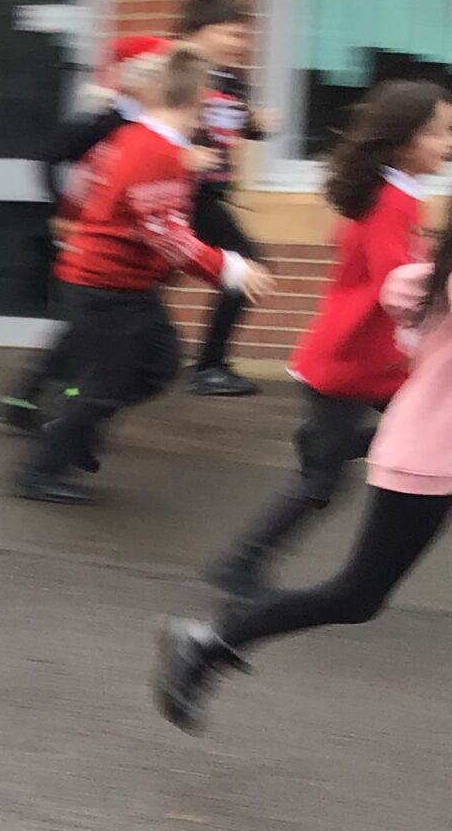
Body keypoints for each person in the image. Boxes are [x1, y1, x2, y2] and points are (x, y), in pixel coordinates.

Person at [156, 224, 452, 731]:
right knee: (355, 597)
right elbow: (401, 286)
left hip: (423, 443)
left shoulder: (430, 283)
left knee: (357, 596)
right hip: (425, 463)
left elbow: (400, 286)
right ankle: (209, 642)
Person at [203, 80, 451, 601]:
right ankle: (239, 566)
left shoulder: (395, 194)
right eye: (438, 132)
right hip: (351, 365)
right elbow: (398, 284)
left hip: (376, 362)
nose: (448, 143)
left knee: (428, 434)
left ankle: (330, 443)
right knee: (322, 484)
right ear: (402, 138)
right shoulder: (392, 201)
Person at [12, 47, 270, 504]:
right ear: (193, 101)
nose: (209, 117)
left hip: (126, 283)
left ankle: (72, 428)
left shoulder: (150, 142)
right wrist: (230, 267)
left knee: (160, 364)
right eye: (207, 105)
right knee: (108, 381)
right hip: (103, 286)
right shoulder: (154, 150)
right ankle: (41, 470)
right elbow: (165, 233)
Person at [0, 37, 171, 432]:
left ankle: (34, 402)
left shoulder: (151, 124)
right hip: (92, 241)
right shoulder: (105, 120)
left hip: (126, 244)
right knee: (93, 332)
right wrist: (58, 212)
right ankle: (63, 411)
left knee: (85, 331)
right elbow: (47, 155)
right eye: (157, 72)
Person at [174, 0, 270, 396]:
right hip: (177, 193)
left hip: (209, 194)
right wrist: (182, 154)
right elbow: (142, 126)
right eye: (230, 34)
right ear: (197, 32)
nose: (238, 44)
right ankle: (209, 365)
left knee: (243, 266)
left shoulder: (234, 80)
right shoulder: (174, 71)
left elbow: (228, 126)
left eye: (242, 36)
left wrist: (255, 126)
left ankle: (210, 365)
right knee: (244, 265)